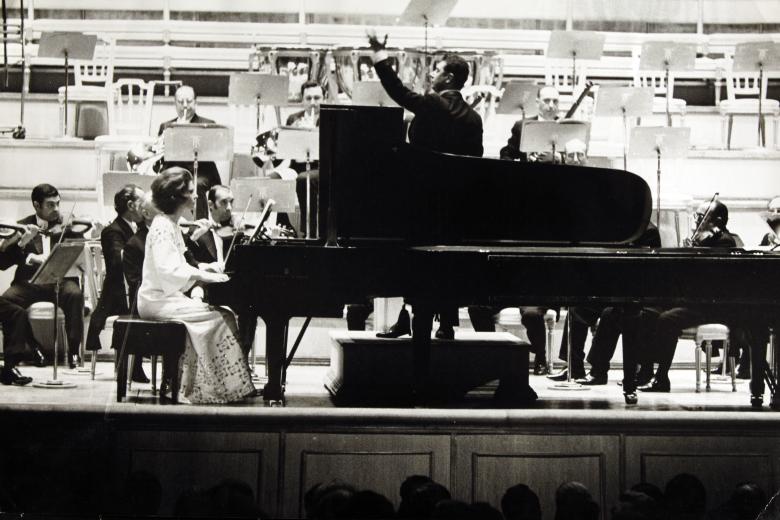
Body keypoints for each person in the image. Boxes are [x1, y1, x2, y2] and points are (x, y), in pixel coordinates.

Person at [368, 29, 483, 340]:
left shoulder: (433, 104)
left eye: (438, 69)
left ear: (448, 78)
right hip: (457, 205)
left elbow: (399, 92)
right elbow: (477, 162)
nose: (433, 73)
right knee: (448, 262)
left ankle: (410, 318)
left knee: (415, 262)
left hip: (422, 200)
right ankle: (445, 324)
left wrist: (380, 56)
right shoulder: (473, 119)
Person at [137, 167, 254, 403]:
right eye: (191, 192)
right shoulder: (162, 226)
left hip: (166, 299)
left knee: (223, 315)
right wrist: (207, 276)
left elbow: (178, 263)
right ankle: (206, 388)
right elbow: (168, 270)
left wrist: (206, 268)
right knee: (222, 317)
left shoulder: (170, 223)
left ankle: (206, 386)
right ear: (176, 198)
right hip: (156, 301)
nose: (196, 196)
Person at [639, 199, 741, 393]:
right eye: (697, 216)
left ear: (718, 219)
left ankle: (661, 378)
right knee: (648, 313)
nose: (697, 220)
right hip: (695, 302)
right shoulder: (704, 240)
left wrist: (696, 252)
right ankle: (645, 372)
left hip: (711, 306)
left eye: (702, 217)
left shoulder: (724, 241)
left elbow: (709, 279)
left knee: (667, 320)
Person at [1, 184, 88, 369]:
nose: (56, 209)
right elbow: (3, 264)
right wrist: (21, 243)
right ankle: (31, 348)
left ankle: (73, 352)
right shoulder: (22, 226)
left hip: (61, 281)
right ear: (36, 205)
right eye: (50, 205)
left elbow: (80, 252)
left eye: (58, 204)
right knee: (6, 301)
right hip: (29, 283)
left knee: (75, 295)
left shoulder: (68, 225)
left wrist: (88, 233)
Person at [186, 184, 257, 359]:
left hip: (226, 287)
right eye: (224, 202)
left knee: (251, 308)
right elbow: (188, 261)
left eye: (231, 202)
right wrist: (192, 237)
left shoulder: (237, 230)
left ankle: (241, 359)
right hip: (204, 287)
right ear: (211, 205)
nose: (230, 208)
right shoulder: (198, 231)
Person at [85, 184, 144, 354]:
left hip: (131, 286)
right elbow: (118, 264)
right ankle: (132, 364)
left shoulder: (136, 228)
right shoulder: (113, 231)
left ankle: (136, 361)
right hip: (117, 293)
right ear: (131, 206)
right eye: (142, 203)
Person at [158, 85, 221, 219]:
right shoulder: (166, 126)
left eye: (189, 101)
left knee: (195, 185)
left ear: (196, 102)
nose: (185, 106)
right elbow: (161, 156)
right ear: (175, 104)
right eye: (181, 102)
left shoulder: (208, 124)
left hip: (202, 171)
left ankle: (201, 225)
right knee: (163, 184)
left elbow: (214, 151)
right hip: (174, 171)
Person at [500, 85, 561, 161]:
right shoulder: (522, 126)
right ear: (537, 102)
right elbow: (507, 153)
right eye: (547, 101)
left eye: (555, 101)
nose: (551, 105)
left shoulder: (567, 126)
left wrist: (560, 158)